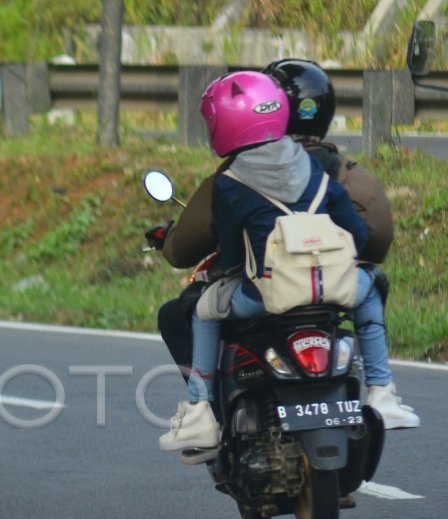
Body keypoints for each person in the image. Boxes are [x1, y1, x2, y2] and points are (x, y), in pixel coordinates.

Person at [150, 61, 418, 433]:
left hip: (267, 292)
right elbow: (361, 236)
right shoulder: (325, 169)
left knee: (204, 309)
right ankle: (382, 391)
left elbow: (230, 254)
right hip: (330, 288)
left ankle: (200, 411)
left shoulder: (228, 181)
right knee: (370, 288)